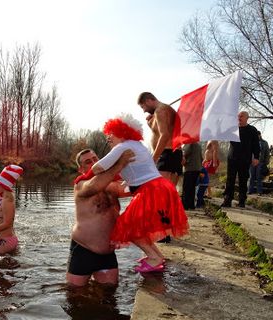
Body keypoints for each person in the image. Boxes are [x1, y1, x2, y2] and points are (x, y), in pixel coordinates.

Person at [91, 114, 189, 273]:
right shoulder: (138, 145)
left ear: (122, 133)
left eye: (111, 134)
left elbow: (97, 168)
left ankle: (154, 258)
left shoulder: (122, 147)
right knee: (139, 227)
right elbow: (136, 171)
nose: (108, 138)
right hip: (161, 187)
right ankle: (157, 256)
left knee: (128, 226)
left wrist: (92, 175)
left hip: (151, 190)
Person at [67, 148, 135, 287]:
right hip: (83, 251)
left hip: (107, 255)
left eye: (95, 159)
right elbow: (93, 186)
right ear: (81, 169)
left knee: (109, 294)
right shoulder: (80, 185)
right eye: (88, 162)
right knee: (75, 296)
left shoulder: (113, 186)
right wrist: (119, 164)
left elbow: (137, 188)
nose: (93, 163)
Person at [137, 92, 181, 186]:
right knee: (169, 193)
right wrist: (151, 124)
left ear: (148, 101)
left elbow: (164, 135)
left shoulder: (160, 110)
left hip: (167, 154)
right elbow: (166, 132)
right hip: (173, 154)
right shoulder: (163, 110)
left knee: (161, 191)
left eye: (143, 107)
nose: (144, 111)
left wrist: (153, 159)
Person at [221, 111, 260, 208]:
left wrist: (256, 157)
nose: (239, 117)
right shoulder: (233, 129)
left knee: (243, 179)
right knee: (230, 179)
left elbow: (256, 145)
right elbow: (222, 132)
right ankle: (227, 199)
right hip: (232, 158)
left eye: (241, 116)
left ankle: (242, 200)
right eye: (238, 116)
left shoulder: (252, 130)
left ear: (247, 118)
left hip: (245, 159)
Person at [181, 142, 203, 210]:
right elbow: (201, 157)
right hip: (197, 168)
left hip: (190, 168)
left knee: (187, 187)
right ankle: (191, 205)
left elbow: (185, 152)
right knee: (192, 187)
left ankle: (185, 205)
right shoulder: (198, 145)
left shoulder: (189, 143)